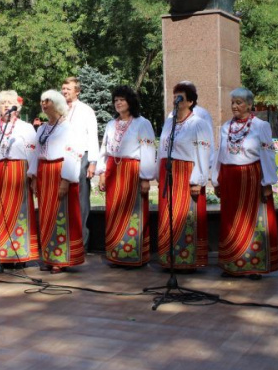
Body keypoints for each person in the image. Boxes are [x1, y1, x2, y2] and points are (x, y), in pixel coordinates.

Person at [212, 88, 278, 279]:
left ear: (250, 105)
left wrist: (267, 182)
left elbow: (268, 154)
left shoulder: (261, 126)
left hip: (251, 177)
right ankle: (232, 263)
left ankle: (253, 264)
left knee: (252, 220)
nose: (234, 106)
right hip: (230, 177)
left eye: (239, 102)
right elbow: (219, 154)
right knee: (231, 220)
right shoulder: (226, 127)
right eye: (233, 102)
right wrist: (216, 179)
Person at [97, 85, 156, 267]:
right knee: (115, 211)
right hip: (113, 169)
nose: (118, 103)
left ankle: (134, 255)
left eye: (122, 100)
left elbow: (148, 150)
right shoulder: (110, 124)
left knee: (132, 211)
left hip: (131, 171)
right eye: (116, 100)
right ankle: (116, 254)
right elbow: (104, 150)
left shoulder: (142, 123)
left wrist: (145, 177)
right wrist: (102, 173)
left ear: (130, 101)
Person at [157, 82, 213, 270]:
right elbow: (163, 148)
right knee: (168, 215)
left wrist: (198, 180)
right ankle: (169, 259)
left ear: (190, 101)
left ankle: (187, 260)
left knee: (184, 215)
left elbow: (203, 154)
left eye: (180, 96)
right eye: (174, 96)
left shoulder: (198, 123)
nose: (176, 99)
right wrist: (159, 170)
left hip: (186, 173)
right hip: (169, 174)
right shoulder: (170, 120)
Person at [29, 90, 84, 273]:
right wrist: (34, 177)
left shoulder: (68, 128)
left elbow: (73, 153)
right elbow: (35, 152)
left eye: (48, 101)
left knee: (61, 213)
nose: (44, 104)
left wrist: (66, 180)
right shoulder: (43, 128)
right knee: (45, 213)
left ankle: (61, 258)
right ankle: (49, 256)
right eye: (42, 101)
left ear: (57, 104)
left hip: (60, 172)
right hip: (44, 173)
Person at [0, 90, 39, 265]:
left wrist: (33, 175)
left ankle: (20, 255)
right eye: (2, 103)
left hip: (18, 172)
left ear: (17, 106)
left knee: (20, 212)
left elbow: (32, 152)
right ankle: (2, 254)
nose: (6, 106)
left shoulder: (26, 127)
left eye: (9, 102)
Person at [61, 77, 100, 250]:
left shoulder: (86, 110)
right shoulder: (59, 109)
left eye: (68, 88)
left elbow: (92, 136)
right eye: (63, 88)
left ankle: (81, 241)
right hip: (62, 157)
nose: (65, 91)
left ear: (77, 91)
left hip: (81, 156)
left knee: (81, 197)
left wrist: (92, 162)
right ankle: (64, 238)